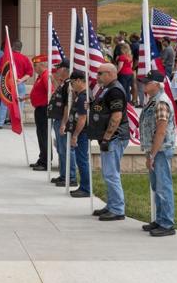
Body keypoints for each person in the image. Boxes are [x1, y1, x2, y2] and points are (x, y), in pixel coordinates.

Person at [137, 71, 176, 237]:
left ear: (157, 84)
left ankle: (167, 223)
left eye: (147, 82)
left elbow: (161, 131)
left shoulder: (161, 103)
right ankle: (160, 220)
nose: (144, 85)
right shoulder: (153, 101)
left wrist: (152, 154)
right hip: (154, 150)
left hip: (161, 150)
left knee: (163, 186)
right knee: (156, 186)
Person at [89, 63, 129, 221]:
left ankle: (118, 209)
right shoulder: (107, 89)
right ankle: (111, 205)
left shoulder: (115, 91)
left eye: (100, 73)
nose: (97, 76)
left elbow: (117, 116)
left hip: (114, 137)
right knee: (108, 174)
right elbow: (104, 109)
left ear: (111, 73)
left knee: (111, 174)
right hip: (109, 137)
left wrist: (107, 137)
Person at [59, 68, 91, 198]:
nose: (71, 85)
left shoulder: (84, 97)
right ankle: (83, 186)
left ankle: (86, 188)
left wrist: (75, 135)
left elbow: (83, 118)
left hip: (82, 134)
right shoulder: (80, 95)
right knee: (80, 160)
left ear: (79, 81)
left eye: (72, 83)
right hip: (79, 133)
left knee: (82, 161)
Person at [0, 41, 32, 129]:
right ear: (21, 48)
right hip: (20, 83)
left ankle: (0, 123)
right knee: (20, 104)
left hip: (8, 83)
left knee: (4, 103)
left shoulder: (5, 57)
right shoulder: (25, 58)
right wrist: (20, 80)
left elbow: (1, 71)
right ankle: (17, 124)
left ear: (12, 47)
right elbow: (29, 73)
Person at [46, 62, 72, 181]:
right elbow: (58, 91)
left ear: (65, 69)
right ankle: (63, 175)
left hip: (62, 120)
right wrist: (53, 80)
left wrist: (63, 123)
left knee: (65, 150)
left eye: (58, 68)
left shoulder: (69, 85)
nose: (56, 70)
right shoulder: (64, 84)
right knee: (61, 150)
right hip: (58, 119)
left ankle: (69, 177)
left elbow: (68, 106)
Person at [29, 55, 53, 171]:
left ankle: (45, 162)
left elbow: (50, 92)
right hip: (39, 109)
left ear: (42, 65)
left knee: (44, 135)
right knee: (41, 134)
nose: (34, 68)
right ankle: (42, 158)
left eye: (35, 66)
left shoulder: (45, 76)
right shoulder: (40, 76)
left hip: (44, 109)